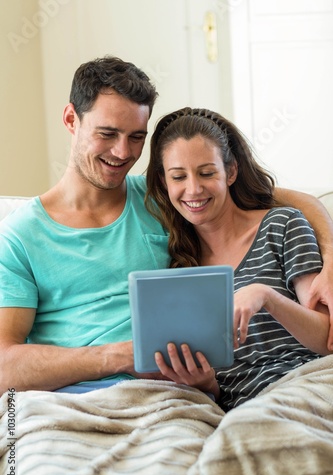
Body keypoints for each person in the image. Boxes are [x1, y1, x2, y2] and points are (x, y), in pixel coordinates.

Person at [0, 57, 332, 395]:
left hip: (174, 399)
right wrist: (119, 356)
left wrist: (331, 258)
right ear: (72, 119)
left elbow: (278, 198)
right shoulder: (19, 236)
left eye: (136, 137)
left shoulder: (166, 199)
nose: (122, 152)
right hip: (75, 399)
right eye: (108, 134)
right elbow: (4, 368)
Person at [145, 107, 332, 410]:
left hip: (306, 383)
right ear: (164, 182)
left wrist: (265, 295)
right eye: (179, 176)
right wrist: (206, 384)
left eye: (207, 173)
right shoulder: (180, 266)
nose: (193, 189)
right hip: (239, 407)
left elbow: (326, 339)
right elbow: (219, 384)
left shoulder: (282, 225)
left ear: (230, 172)